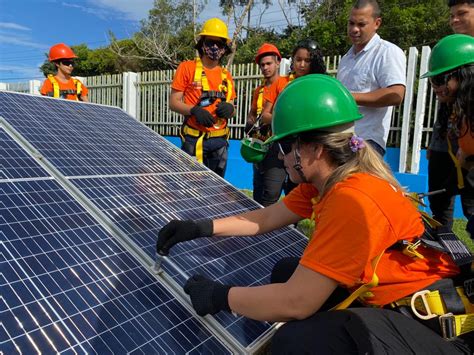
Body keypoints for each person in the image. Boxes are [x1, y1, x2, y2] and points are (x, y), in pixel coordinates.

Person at [157, 75, 472, 354]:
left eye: (284, 147)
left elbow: (297, 303)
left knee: (297, 341)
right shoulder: (326, 181)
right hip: (395, 305)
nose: (280, 157)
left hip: (440, 334)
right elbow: (264, 219)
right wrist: (200, 227)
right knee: (286, 271)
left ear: (313, 150)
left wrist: (219, 296)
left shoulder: (352, 200)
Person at [337, 0, 406, 156]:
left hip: (367, 143)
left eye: (361, 24)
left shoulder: (387, 52)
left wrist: (348, 97)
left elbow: (396, 94)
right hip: (341, 140)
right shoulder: (346, 59)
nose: (354, 29)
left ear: (377, 23)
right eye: (351, 23)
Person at [427, 1, 474, 230]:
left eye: (462, 13)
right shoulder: (450, 49)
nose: (455, 20)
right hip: (454, 140)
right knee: (441, 198)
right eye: (451, 15)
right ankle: (444, 248)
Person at [169, 18, 236, 177]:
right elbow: (173, 102)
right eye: (210, 42)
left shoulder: (226, 76)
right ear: (202, 44)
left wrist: (230, 109)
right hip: (194, 140)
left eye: (219, 44)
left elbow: (232, 107)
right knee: (191, 189)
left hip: (219, 141)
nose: (214, 47)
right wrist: (194, 110)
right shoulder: (187, 68)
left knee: (216, 191)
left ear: (224, 48)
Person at [261, 39, 327, 195]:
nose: (302, 64)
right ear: (293, 60)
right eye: (298, 60)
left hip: (306, 151)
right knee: (270, 193)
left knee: (298, 195)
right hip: (280, 147)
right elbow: (265, 115)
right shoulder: (280, 83)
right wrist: (288, 122)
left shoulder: (319, 85)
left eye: (307, 60)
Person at [243, 43, 287, 206]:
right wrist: (249, 122)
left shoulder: (284, 85)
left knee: (271, 193)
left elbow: (282, 116)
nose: (265, 67)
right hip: (259, 144)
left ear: (278, 62)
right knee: (258, 190)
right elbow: (253, 112)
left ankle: (272, 229)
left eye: (269, 63)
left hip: (277, 147)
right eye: (262, 65)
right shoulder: (259, 90)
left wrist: (265, 119)